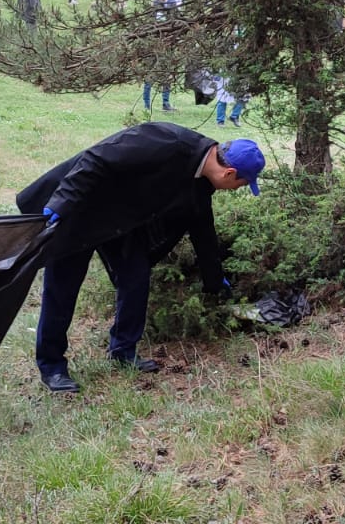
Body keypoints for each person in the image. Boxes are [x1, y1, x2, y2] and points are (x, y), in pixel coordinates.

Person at [17, 123, 265, 393]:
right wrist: (61, 202)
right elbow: (97, 158)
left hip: (118, 223)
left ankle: (123, 351)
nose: (239, 189)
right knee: (62, 288)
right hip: (79, 211)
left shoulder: (201, 180)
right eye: (243, 183)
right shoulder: (167, 141)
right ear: (229, 173)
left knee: (135, 277)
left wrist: (214, 278)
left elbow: (202, 227)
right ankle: (52, 366)